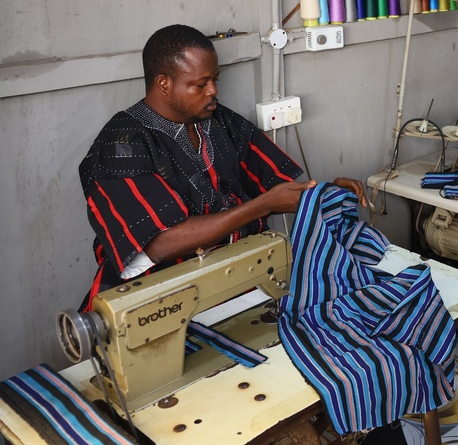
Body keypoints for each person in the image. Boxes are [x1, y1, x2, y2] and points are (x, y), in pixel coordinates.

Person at [78, 24, 366, 310]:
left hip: (231, 279)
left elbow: (274, 187)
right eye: (200, 85)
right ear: (164, 84)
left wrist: (320, 193)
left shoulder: (219, 121)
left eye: (215, 80)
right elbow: (160, 244)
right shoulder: (121, 146)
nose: (213, 91)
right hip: (157, 298)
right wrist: (261, 207)